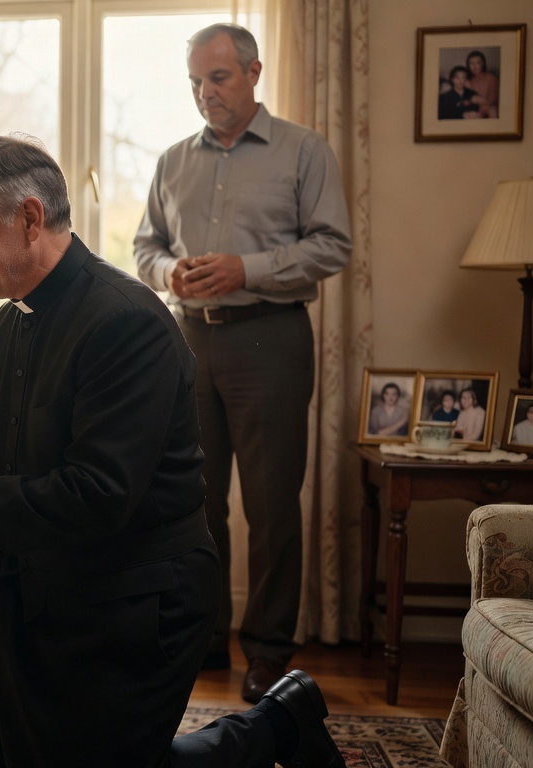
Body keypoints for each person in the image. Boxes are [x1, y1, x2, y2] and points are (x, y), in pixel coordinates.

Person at [0, 134, 343, 768]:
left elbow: (98, 496)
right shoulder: (11, 320)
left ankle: (275, 724)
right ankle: (7, 741)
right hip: (51, 567)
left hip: (136, 592)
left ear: (29, 218)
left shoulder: (125, 321)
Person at [133, 22, 352, 703]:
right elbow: (145, 247)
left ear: (254, 74)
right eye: (196, 81)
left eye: (219, 77)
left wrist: (245, 269)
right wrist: (168, 273)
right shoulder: (173, 160)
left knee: (271, 504)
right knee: (191, 500)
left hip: (270, 339)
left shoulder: (303, 150)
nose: (205, 92)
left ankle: (268, 650)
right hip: (188, 342)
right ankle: (201, 637)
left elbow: (333, 245)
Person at [466, 50, 499, 119]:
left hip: (489, 109)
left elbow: (492, 100)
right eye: (472, 63)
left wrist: (481, 100)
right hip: (473, 111)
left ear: (483, 63)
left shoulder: (491, 77)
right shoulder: (466, 80)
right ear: (468, 65)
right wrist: (470, 101)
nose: (475, 66)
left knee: (493, 110)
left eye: (478, 63)